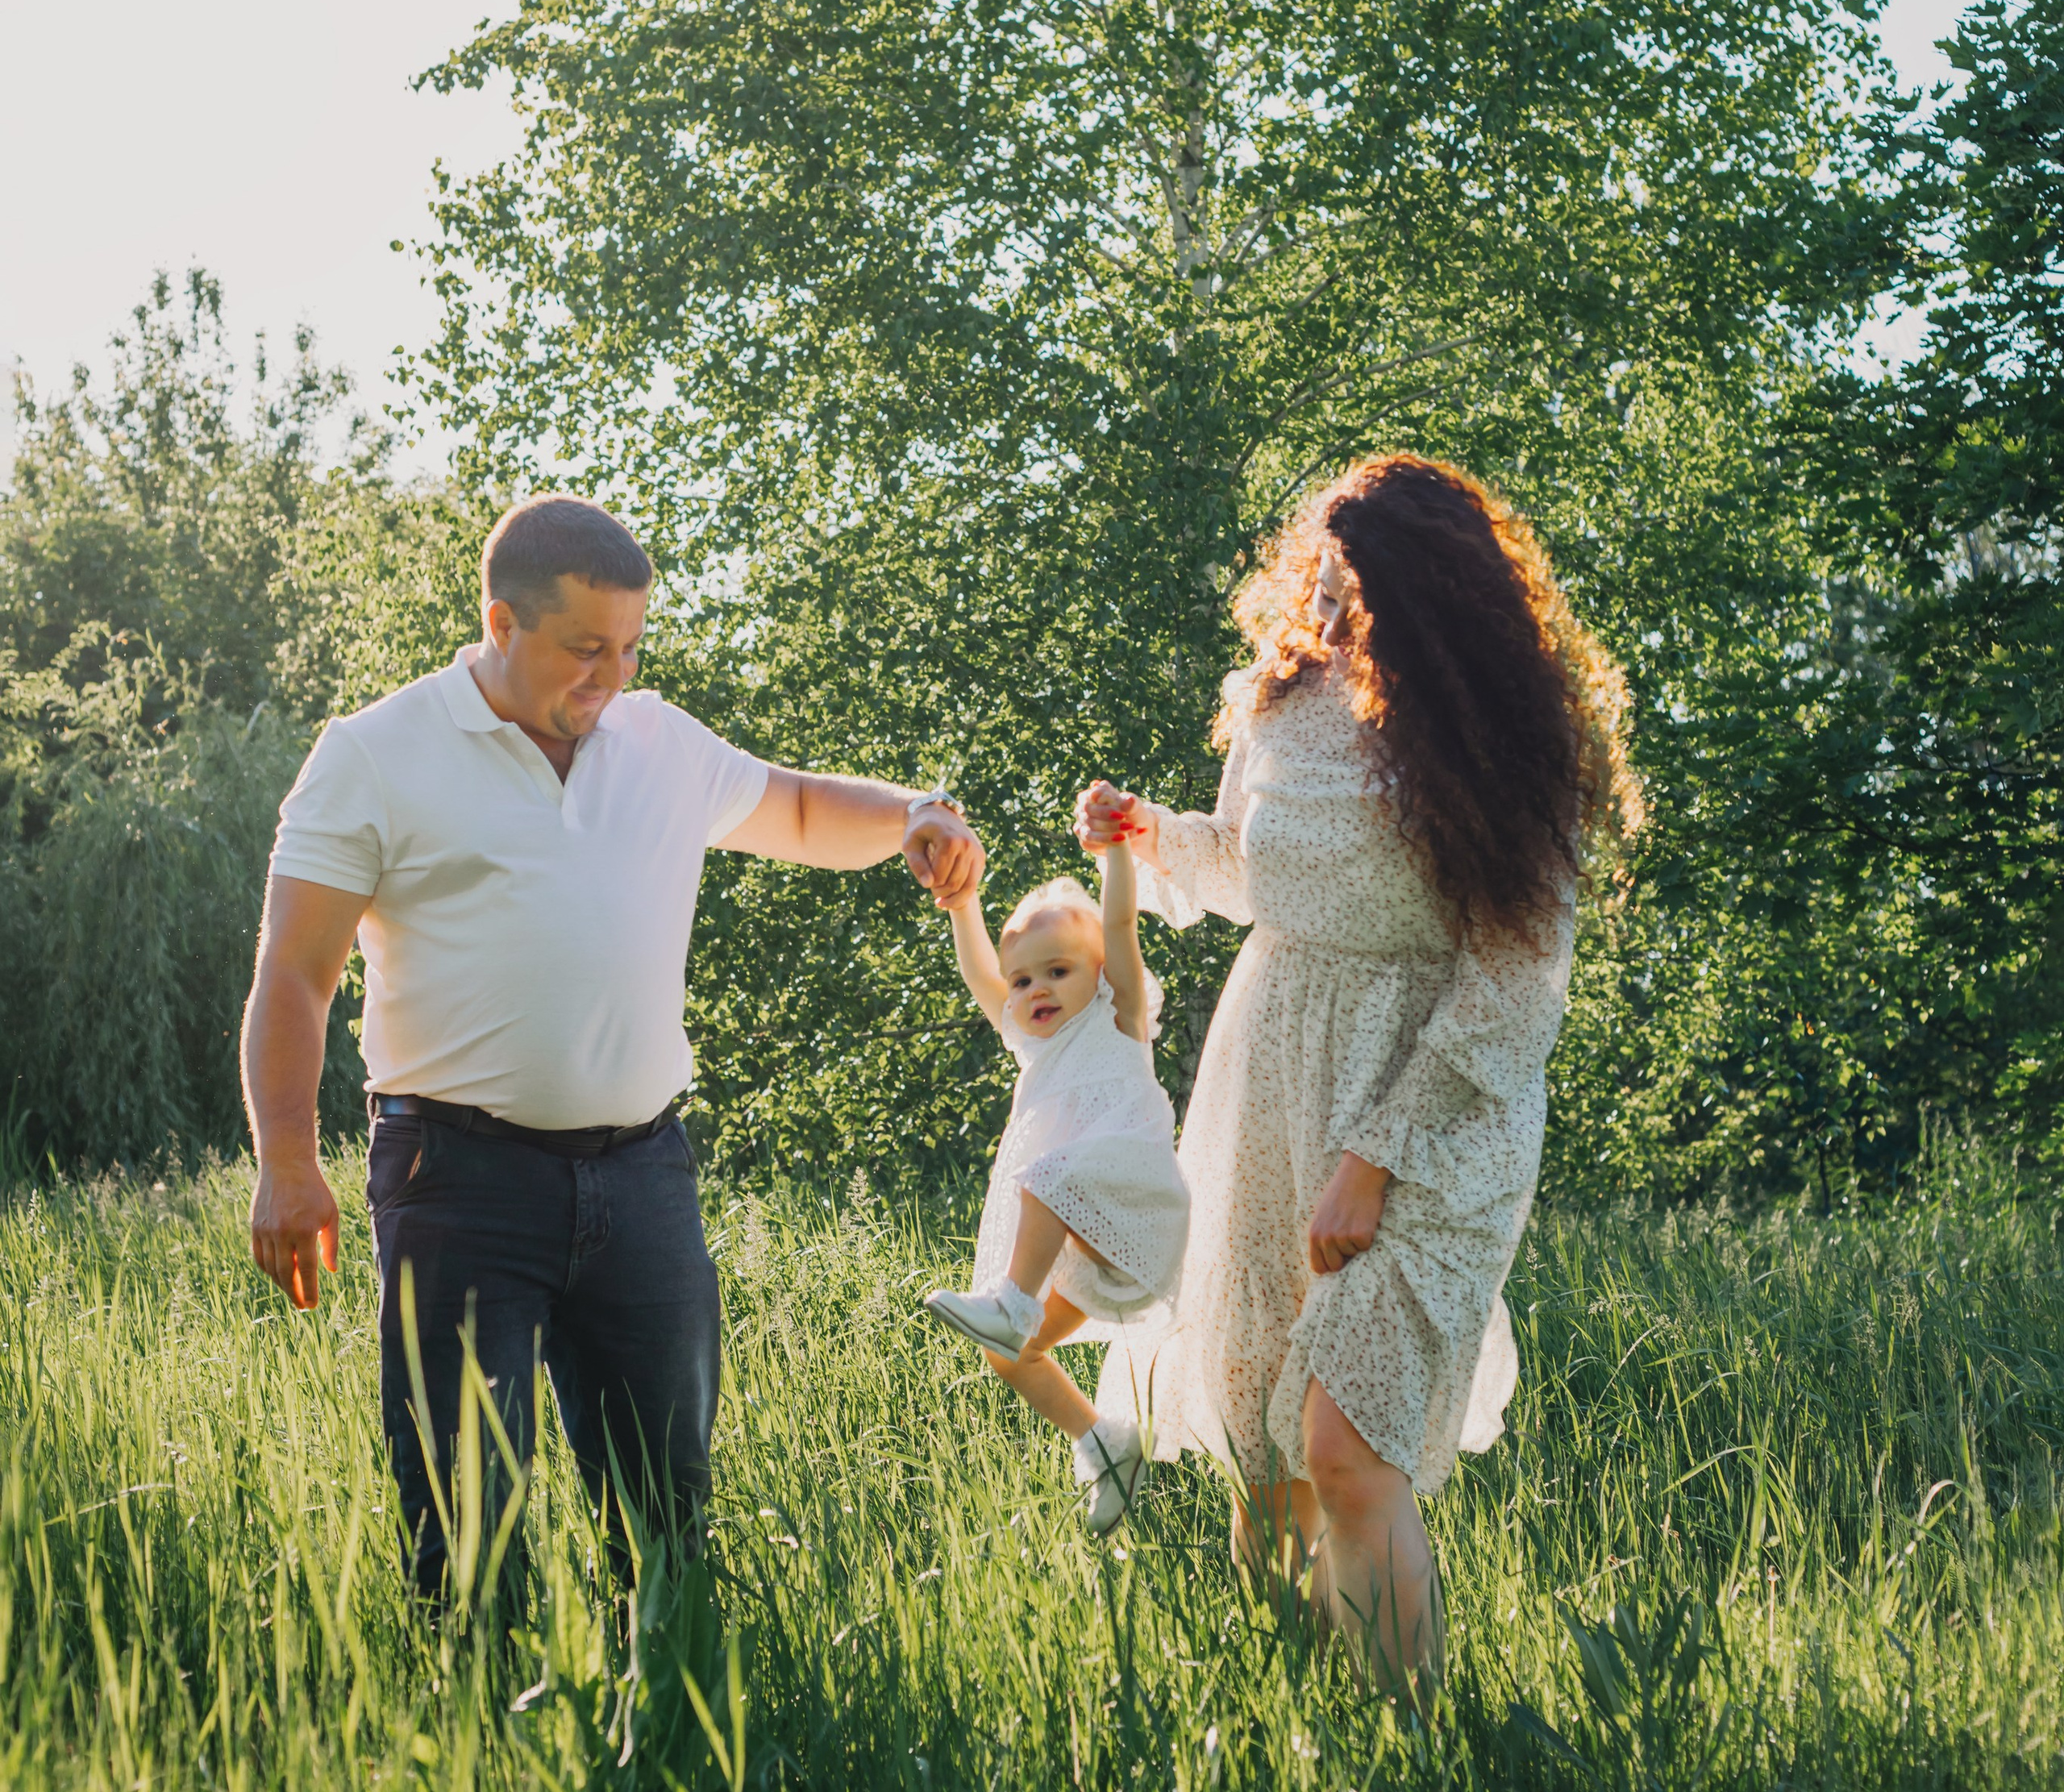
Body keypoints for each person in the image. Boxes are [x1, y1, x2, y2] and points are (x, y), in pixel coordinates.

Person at [240, 492, 984, 1597]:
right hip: (459, 1180)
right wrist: (288, 1164)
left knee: (666, 1515)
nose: (612, 677)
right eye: (586, 650)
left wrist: (917, 814)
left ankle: (665, 1743)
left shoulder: (659, 741)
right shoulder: (374, 756)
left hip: (642, 1176)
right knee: (466, 1515)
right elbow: (294, 977)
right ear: (501, 624)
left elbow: (793, 808)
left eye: (630, 647)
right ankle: (483, 1744)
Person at [1075, 454, 1638, 1700]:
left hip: (1439, 1106)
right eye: (1320, 576)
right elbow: (1248, 867)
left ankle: (1417, 1752)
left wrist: (1371, 1163)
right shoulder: (1277, 697)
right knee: (1260, 1450)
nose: (1325, 607)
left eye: (1356, 587)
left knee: (1345, 1449)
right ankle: (1298, 1743)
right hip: (1272, 1062)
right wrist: (1149, 835)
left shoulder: (1507, 731)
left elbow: (1512, 985)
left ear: (1432, 600)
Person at [922, 838, 1189, 1536]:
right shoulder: (1034, 1047)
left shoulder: (1120, 1021)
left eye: (1059, 971)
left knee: (1046, 1177)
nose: (1035, 990)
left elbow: (1123, 926)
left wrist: (1116, 858)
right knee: (1010, 1355)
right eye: (1024, 981)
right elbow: (983, 973)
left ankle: (1010, 1302)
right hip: (1087, 1248)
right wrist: (962, 903)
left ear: (1099, 975)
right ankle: (1106, 1444)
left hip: (1137, 1211)